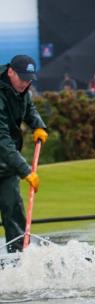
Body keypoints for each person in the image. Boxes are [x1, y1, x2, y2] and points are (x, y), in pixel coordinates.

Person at [0, 55, 46, 252]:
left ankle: (18, 259)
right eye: (22, 78)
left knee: (14, 213)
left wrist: (38, 125)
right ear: (10, 71)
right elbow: (2, 139)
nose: (26, 83)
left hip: (6, 167)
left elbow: (29, 108)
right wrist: (25, 170)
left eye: (29, 79)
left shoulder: (22, 89)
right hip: (6, 154)